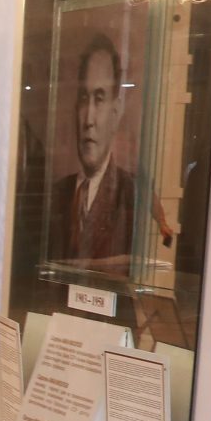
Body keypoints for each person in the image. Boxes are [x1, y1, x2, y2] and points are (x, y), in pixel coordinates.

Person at [50, 32, 136, 270]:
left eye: (99, 99)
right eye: (83, 98)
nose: (88, 119)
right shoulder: (56, 195)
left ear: (115, 113)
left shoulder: (130, 195)